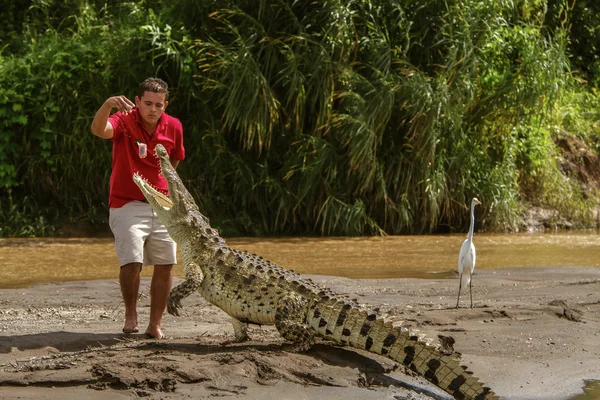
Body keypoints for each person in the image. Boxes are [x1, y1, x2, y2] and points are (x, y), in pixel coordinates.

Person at [91, 77, 185, 339]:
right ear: (137, 102)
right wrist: (108, 104)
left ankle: (155, 323)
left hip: (163, 203)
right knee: (132, 261)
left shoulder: (174, 126)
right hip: (126, 201)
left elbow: (176, 157)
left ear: (165, 105)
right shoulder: (124, 119)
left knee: (166, 262)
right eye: (147, 103)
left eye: (158, 104)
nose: (152, 109)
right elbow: (100, 130)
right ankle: (131, 313)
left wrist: (163, 186)